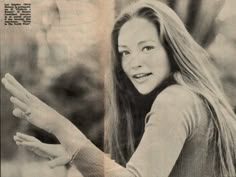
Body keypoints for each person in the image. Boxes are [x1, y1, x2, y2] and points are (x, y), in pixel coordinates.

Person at [2, 0, 236, 176]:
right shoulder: (199, 98)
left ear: (171, 48)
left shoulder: (174, 100)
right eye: (125, 52)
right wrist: (80, 157)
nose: (134, 62)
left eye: (146, 48)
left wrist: (60, 126)